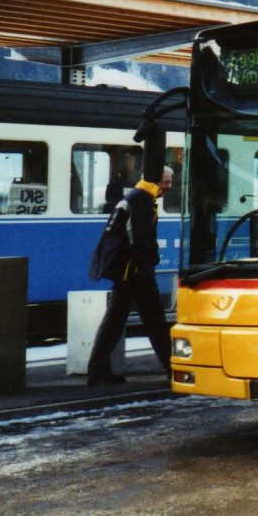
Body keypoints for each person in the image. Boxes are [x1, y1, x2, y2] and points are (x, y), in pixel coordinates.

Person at [87, 165, 174, 385]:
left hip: (125, 270)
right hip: (135, 271)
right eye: (167, 182)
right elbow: (139, 240)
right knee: (155, 320)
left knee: (115, 320)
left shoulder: (135, 198)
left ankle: (97, 370)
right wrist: (148, 260)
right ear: (156, 181)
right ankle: (173, 368)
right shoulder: (142, 202)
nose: (169, 187)